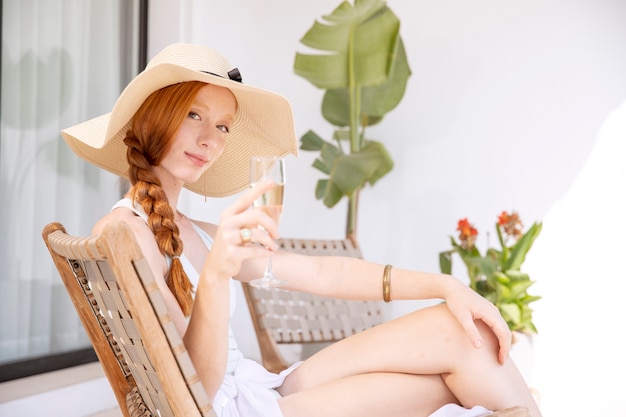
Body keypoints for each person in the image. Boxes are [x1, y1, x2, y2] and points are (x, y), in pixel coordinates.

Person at [61, 43, 542, 417]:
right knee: (459, 385)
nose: (211, 139)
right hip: (229, 409)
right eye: (194, 115)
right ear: (153, 117)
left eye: (224, 127)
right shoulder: (124, 233)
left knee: (461, 328)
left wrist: (444, 285)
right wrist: (216, 277)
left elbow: (321, 275)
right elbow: (193, 393)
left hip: (257, 389)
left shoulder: (195, 231)